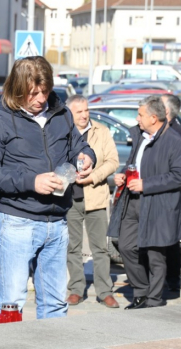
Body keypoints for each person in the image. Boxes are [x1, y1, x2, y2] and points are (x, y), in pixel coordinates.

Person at [0, 56, 96, 320]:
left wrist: (87, 157)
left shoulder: (61, 112)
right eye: (32, 93)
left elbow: (78, 147)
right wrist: (33, 182)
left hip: (58, 221)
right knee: (12, 303)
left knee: (54, 304)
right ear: (17, 90)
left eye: (45, 91)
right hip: (18, 222)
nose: (40, 98)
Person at [108, 96, 181, 310]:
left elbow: (178, 176)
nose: (137, 118)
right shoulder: (140, 136)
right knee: (125, 246)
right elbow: (134, 164)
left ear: (154, 118)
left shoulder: (175, 141)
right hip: (133, 201)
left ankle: (153, 299)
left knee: (155, 254)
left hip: (158, 204)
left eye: (140, 114)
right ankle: (141, 291)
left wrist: (147, 184)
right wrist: (124, 176)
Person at [65, 95, 120, 308]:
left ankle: (104, 291)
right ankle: (76, 289)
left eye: (86, 110)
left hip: (95, 196)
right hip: (70, 198)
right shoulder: (63, 132)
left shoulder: (101, 131)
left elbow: (113, 161)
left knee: (100, 248)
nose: (84, 114)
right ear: (70, 113)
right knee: (73, 247)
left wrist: (93, 177)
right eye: (79, 111)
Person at [161, 93, 181, 291]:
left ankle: (171, 280)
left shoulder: (177, 135)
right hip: (158, 192)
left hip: (167, 194)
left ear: (167, 111)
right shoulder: (161, 131)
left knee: (168, 240)